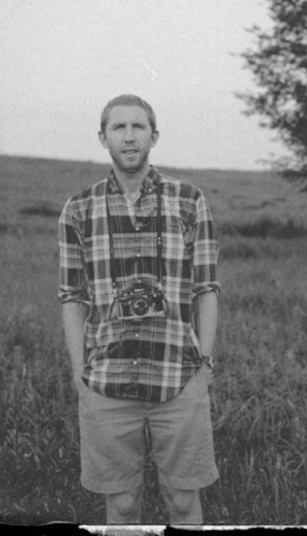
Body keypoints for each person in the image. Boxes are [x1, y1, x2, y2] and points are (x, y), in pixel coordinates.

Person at [58, 94, 220, 525]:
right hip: (106, 382)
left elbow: (206, 288)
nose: (129, 136)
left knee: (182, 502)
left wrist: (204, 366)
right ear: (103, 137)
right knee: (123, 506)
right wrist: (79, 374)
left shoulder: (189, 201)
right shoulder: (78, 209)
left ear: (154, 135)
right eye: (119, 127)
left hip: (178, 378)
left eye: (138, 127)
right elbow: (72, 296)